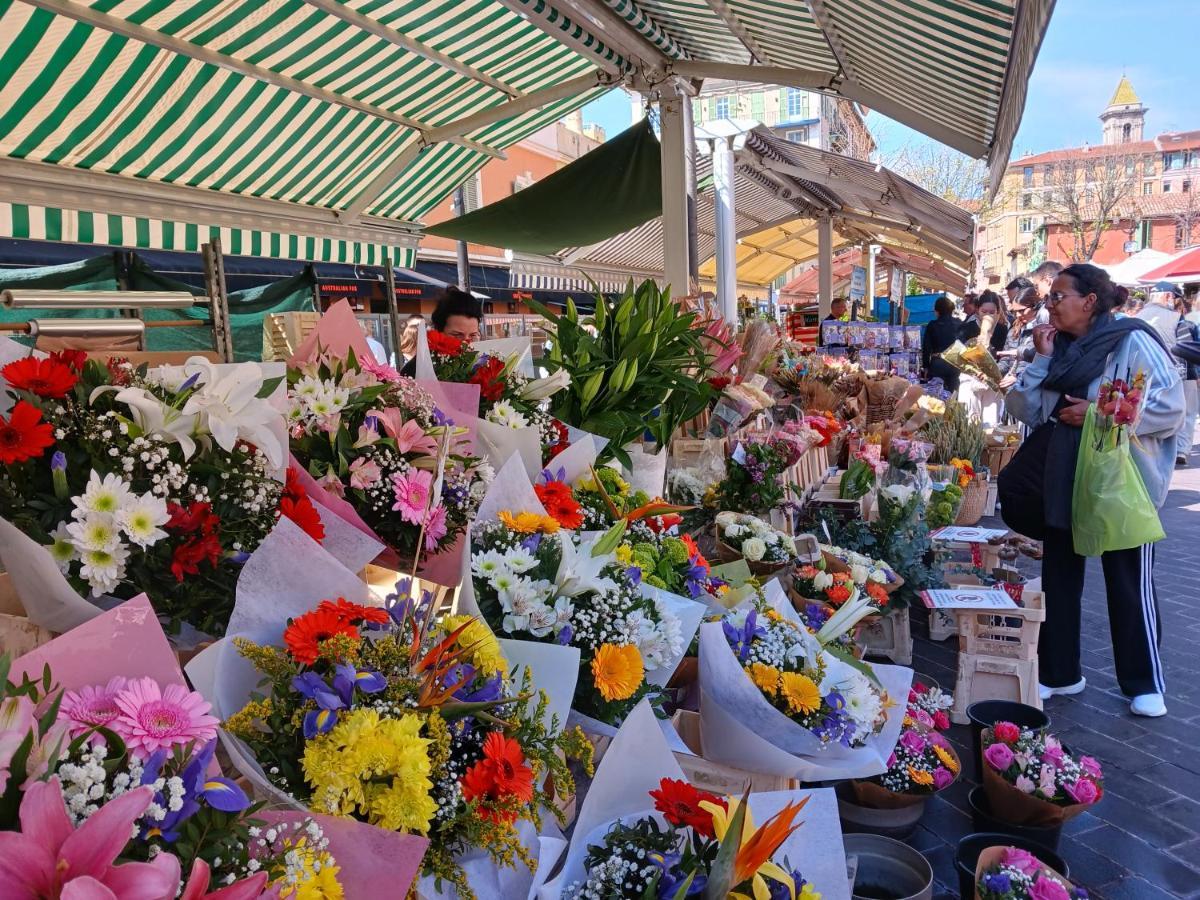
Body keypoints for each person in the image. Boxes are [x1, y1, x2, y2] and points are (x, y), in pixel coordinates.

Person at [1005, 263, 1184, 718]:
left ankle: (1144, 683)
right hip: (1063, 477)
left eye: (1058, 296)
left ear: (1089, 300)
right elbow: (1026, 410)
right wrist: (1041, 361)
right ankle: (1059, 673)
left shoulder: (1133, 340)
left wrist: (1099, 413)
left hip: (1121, 482)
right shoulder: (1056, 348)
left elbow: (1170, 407)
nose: (1050, 304)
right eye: (1050, 297)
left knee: (1128, 580)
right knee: (1060, 577)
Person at [1137, 282, 1196, 465]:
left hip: (1142, 373)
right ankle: (1181, 450)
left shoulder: (1137, 316)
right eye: (1177, 298)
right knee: (1186, 411)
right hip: (1177, 372)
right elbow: (1185, 347)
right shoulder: (1176, 318)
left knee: (1145, 409)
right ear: (1169, 297)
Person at [922, 295, 962, 391]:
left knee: (936, 394)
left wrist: (926, 366)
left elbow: (926, 348)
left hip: (938, 363)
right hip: (955, 363)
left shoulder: (932, 325)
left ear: (937, 311)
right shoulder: (959, 323)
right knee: (953, 395)